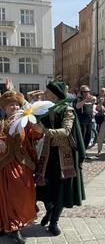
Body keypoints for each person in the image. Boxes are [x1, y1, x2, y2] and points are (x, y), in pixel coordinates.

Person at [36, 81, 85, 236]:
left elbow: (66, 131)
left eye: (47, 91)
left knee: (60, 191)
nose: (45, 93)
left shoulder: (67, 109)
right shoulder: (46, 108)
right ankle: (49, 211)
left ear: (54, 94)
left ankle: (54, 222)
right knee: (43, 188)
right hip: (47, 153)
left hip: (63, 155)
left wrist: (44, 130)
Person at [0, 91, 43, 244]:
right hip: (4, 165)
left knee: (22, 195)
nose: (15, 106)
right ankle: (9, 227)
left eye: (17, 104)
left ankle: (16, 224)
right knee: (5, 197)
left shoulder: (25, 121)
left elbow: (34, 135)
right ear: (5, 108)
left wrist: (39, 131)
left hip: (22, 164)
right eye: (11, 104)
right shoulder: (1, 123)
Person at [75, 85, 96, 149]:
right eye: (85, 92)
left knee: (88, 137)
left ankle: (85, 151)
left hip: (89, 121)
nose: (87, 93)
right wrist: (85, 100)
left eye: (88, 91)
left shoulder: (90, 99)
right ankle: (80, 152)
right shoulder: (79, 99)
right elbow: (77, 106)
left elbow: (91, 107)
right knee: (82, 138)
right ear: (81, 92)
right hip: (82, 122)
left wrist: (94, 101)